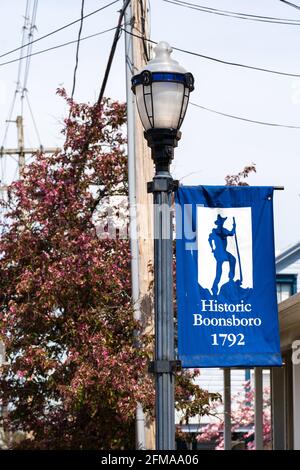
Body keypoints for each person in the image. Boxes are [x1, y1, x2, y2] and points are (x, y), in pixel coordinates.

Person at [208, 214, 236, 296]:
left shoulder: (224, 231)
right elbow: (210, 239)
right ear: (218, 223)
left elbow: (232, 233)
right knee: (219, 270)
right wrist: (212, 248)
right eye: (220, 222)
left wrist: (234, 226)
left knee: (233, 259)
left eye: (222, 222)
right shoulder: (214, 231)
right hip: (218, 252)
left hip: (224, 251)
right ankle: (215, 286)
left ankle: (231, 277)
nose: (221, 223)